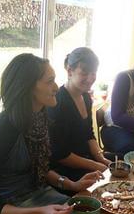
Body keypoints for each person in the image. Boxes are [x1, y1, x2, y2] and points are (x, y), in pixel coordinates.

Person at [0, 53, 103, 214]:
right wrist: (41, 212)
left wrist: (72, 185)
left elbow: (40, 170)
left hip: (42, 197)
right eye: (49, 81)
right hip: (13, 209)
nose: (55, 87)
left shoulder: (39, 118)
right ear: (27, 87)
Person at [47, 47, 109, 193]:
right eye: (84, 73)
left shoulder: (86, 97)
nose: (90, 78)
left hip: (86, 159)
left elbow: (89, 133)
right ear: (70, 71)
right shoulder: (58, 102)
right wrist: (95, 165)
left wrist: (101, 159)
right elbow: (60, 154)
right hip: (65, 169)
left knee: (121, 165)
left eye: (93, 73)